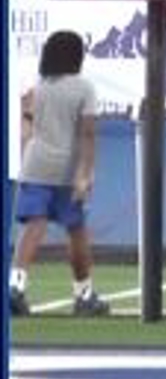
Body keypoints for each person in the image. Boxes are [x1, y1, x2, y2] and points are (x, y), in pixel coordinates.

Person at [9, 30, 109, 317]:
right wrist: (85, 173)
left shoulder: (37, 88)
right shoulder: (84, 88)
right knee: (76, 231)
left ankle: (15, 286)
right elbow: (88, 134)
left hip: (34, 165)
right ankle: (84, 294)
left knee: (32, 227)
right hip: (66, 169)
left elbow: (26, 130)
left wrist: (25, 160)